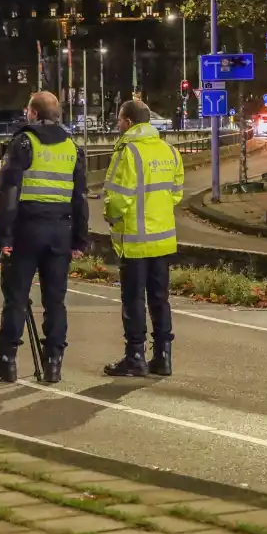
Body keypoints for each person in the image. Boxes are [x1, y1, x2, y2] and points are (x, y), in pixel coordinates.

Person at [0, 91, 89, 385]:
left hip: (27, 231)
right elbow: (80, 196)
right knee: (55, 301)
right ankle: (53, 363)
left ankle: (7, 362)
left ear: (33, 113)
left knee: (16, 298)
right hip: (60, 232)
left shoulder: (24, 143)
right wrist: (80, 238)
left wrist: (3, 235)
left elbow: (10, 194)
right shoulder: (72, 147)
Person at [102, 100, 184, 378]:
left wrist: (111, 215)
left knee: (134, 300)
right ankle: (163, 357)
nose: (117, 125)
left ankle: (135, 356)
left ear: (127, 122)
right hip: (163, 241)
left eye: (118, 120)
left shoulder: (128, 153)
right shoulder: (170, 151)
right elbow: (176, 193)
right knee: (160, 299)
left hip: (135, 242)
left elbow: (117, 198)